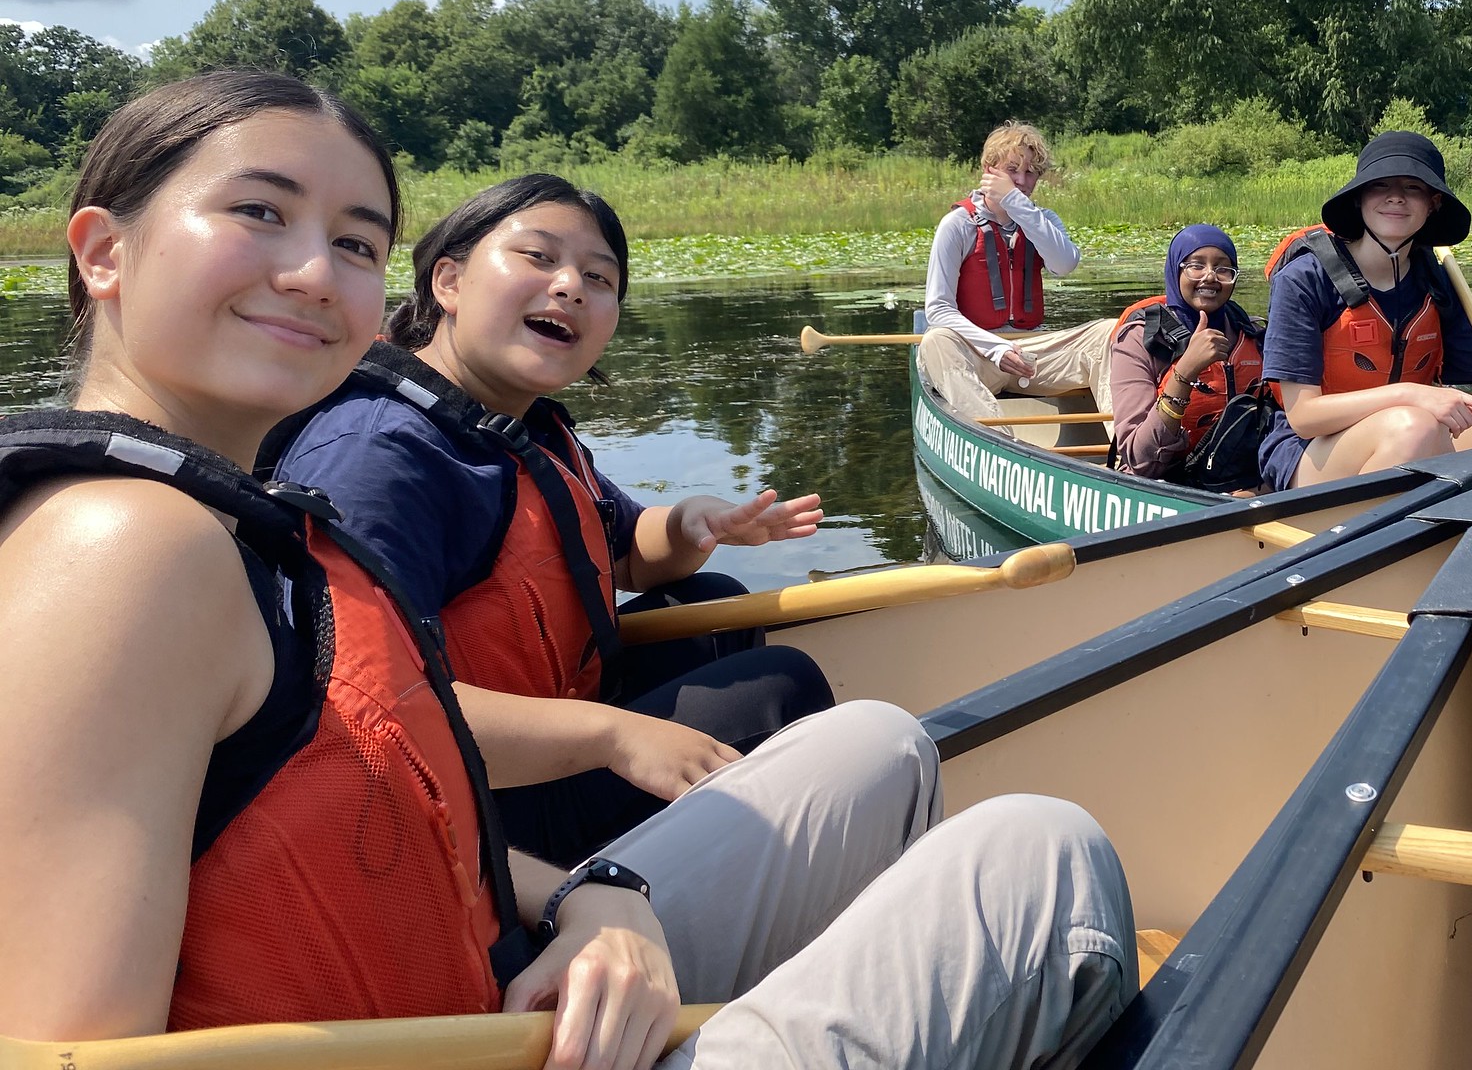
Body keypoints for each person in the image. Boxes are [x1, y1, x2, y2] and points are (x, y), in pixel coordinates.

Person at [0, 71, 1136, 1070]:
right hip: (475, 1023)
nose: (313, 272)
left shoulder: (251, 511)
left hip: (504, 954)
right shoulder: (133, 545)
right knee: (1041, 860)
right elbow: (73, 1049)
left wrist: (592, 898)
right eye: (260, 212)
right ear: (103, 251)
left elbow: (393, 769)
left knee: (876, 740)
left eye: (353, 241)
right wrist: (606, 740)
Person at [264, 175, 835, 864]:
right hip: (462, 817)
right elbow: (367, 713)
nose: (569, 286)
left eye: (598, 278)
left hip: (538, 739)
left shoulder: (520, 426)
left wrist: (696, 524)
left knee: (716, 609)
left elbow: (626, 552)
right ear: (447, 280)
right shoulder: (379, 454)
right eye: (538, 257)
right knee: (781, 688)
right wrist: (615, 736)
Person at [1257, 131, 1472, 489]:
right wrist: (1412, 394)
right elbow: (1303, 416)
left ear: (1433, 203)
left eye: (1413, 188)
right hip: (1311, 453)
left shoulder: (1435, 280)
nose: (1396, 197)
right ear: (1359, 198)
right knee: (1413, 424)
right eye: (1380, 184)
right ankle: (1374, 539)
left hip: (1417, 436)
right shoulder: (1304, 279)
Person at [919, 121, 1116, 432]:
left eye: (1031, 173)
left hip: (1030, 353)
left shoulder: (1042, 221)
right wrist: (996, 349)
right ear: (989, 169)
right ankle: (1000, 443)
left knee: (1108, 332)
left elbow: (1064, 264)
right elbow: (938, 310)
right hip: (978, 354)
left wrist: (1016, 204)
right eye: (1013, 170)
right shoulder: (956, 225)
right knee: (935, 341)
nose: (1022, 182)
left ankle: (1127, 454)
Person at [1109, 223, 1267, 487]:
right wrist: (1184, 374)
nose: (1210, 277)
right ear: (1175, 270)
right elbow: (1140, 460)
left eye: (1223, 268)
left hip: (1245, 486)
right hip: (1166, 486)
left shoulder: (1252, 335)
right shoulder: (1139, 340)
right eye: (1196, 265)